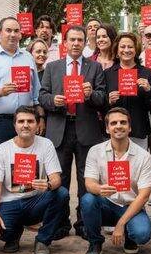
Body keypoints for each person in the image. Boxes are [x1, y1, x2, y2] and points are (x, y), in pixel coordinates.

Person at [39, 25, 106, 239]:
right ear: (64, 43)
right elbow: (42, 96)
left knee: (87, 179)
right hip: (60, 127)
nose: (76, 43)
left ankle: (84, 224)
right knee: (61, 179)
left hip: (86, 129)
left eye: (80, 40)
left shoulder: (94, 68)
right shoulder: (52, 67)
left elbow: (102, 99)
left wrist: (91, 94)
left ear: (85, 42)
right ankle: (60, 224)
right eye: (72, 40)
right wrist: (53, 101)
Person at [0, 106, 69, 254]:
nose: (25, 125)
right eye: (21, 121)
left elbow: (56, 178)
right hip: (10, 202)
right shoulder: (2, 150)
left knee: (62, 193)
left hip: (36, 202)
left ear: (37, 125)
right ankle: (13, 235)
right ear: (14, 125)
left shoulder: (46, 144)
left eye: (30, 121)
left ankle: (43, 240)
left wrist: (48, 184)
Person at [81, 108, 151, 254]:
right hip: (106, 204)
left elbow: (144, 195)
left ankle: (130, 236)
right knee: (88, 199)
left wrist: (121, 224)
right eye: (114, 123)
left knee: (142, 235)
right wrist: (99, 189)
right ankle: (95, 243)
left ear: (130, 127)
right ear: (107, 129)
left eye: (123, 122)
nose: (118, 126)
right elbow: (89, 183)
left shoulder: (144, 156)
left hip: (131, 206)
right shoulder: (95, 151)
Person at [0, 17, 42, 157]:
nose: (12, 34)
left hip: (26, 121)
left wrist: (40, 117)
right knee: (0, 164)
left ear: (20, 34)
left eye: (16, 31)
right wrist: (0, 91)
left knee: (25, 165)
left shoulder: (28, 57)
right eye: (8, 30)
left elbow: (36, 91)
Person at [104, 32, 151, 151]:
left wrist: (148, 90)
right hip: (114, 131)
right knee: (117, 168)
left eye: (130, 47)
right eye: (122, 47)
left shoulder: (147, 73)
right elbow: (101, 105)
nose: (126, 50)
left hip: (138, 130)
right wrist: (109, 100)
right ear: (117, 51)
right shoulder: (108, 74)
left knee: (138, 167)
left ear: (136, 50)